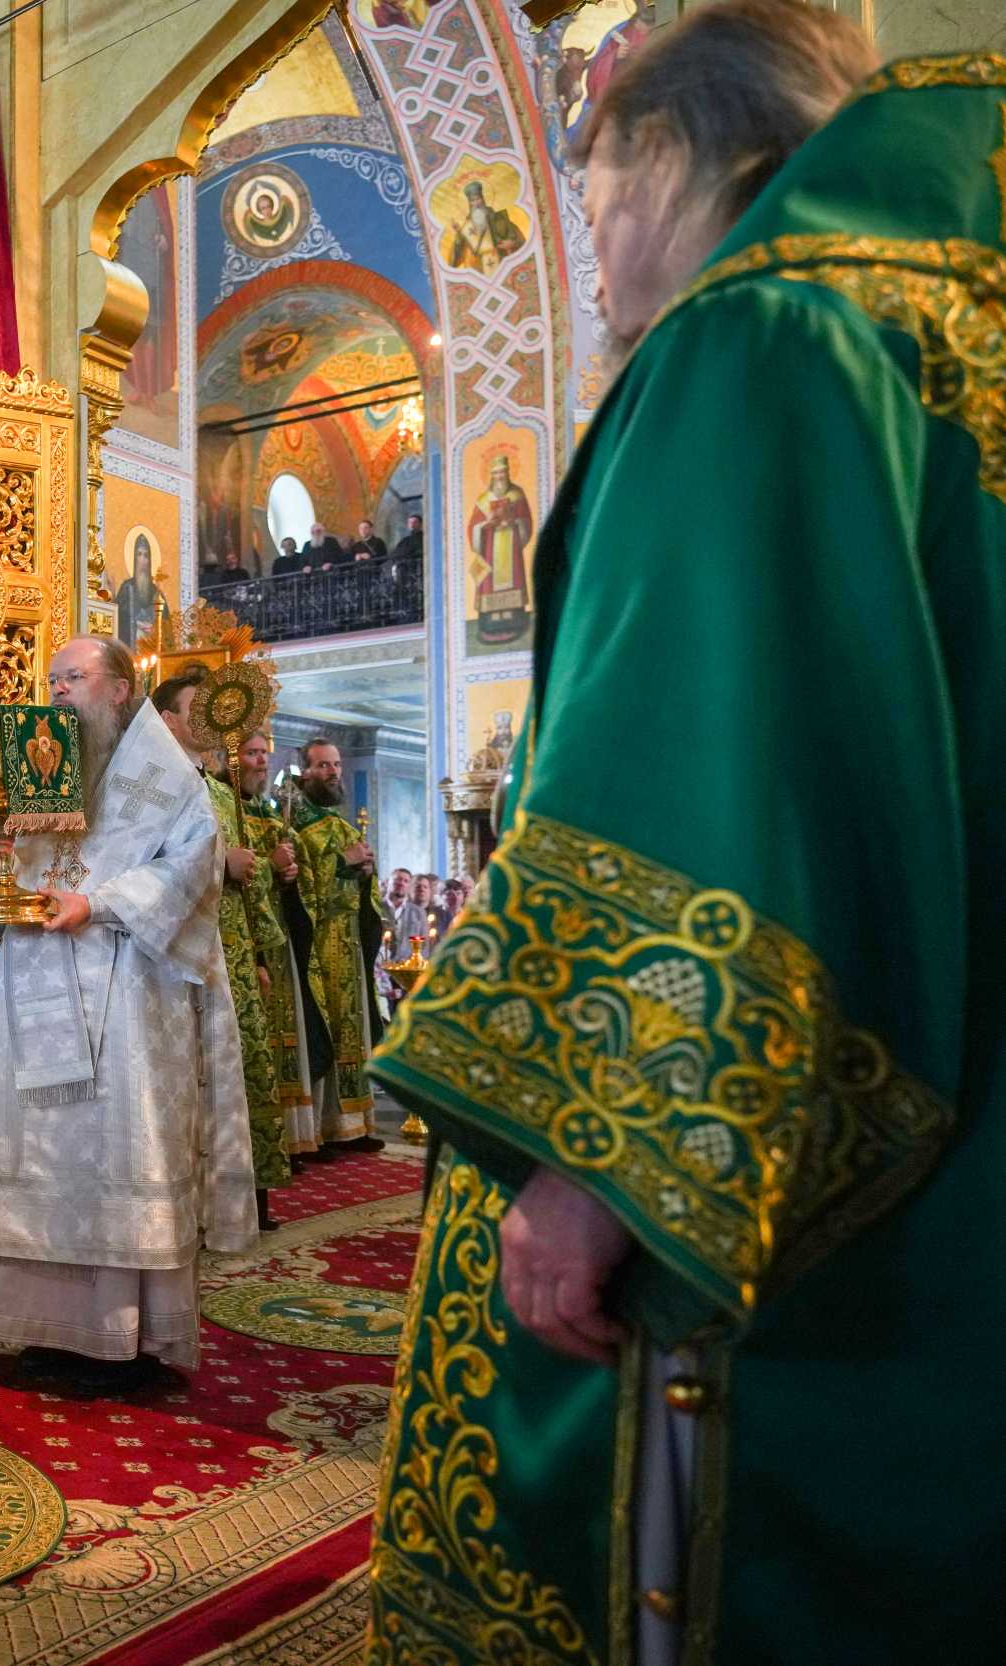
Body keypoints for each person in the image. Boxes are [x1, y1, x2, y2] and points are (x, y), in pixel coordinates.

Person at [366, 15, 1002, 1666]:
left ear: (672, 153)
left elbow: (720, 770)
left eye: (590, 189)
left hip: (780, 1192)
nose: (590, 246)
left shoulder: (761, 336)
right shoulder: (949, 333)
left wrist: (597, 1153)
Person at [0, 637, 255, 1398]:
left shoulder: (168, 776)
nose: (58, 690)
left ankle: (125, 1336)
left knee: (117, 1154)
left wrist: (97, 903)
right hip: (33, 984)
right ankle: (45, 1329)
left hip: (127, 994)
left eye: (75, 677)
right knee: (40, 1151)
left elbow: (192, 866)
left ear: (121, 688)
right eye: (52, 679)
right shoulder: (32, 765)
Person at [155, 665, 289, 1230]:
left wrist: (258, 954)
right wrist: (221, 864)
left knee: (245, 1068)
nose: (211, 719)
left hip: (232, 948)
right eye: (197, 709)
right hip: (182, 951)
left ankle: (242, 1197)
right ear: (168, 721)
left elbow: (246, 876)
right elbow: (147, 868)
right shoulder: (154, 786)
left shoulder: (219, 792)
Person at [278, 736, 384, 1155]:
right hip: (318, 945)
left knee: (352, 1030)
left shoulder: (339, 824)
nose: (333, 772)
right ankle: (321, 1127)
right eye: (323, 765)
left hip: (348, 943)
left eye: (336, 765)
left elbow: (359, 884)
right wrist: (344, 862)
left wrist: (366, 873)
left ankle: (352, 1125)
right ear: (305, 771)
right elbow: (303, 886)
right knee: (323, 1027)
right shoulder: (295, 822)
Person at [237, 730, 315, 1159]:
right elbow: (236, 879)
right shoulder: (227, 811)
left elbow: (286, 882)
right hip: (248, 942)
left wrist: (289, 877)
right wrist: (270, 865)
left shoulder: (269, 814)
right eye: (252, 753)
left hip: (278, 940)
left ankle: (291, 1138)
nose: (262, 762)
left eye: (264, 753)